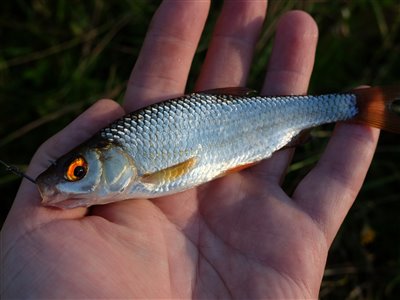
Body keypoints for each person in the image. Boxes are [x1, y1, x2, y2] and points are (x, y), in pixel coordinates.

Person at [1, 1, 380, 298]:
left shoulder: (143, 174)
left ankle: (359, 106)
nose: (69, 180)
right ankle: (361, 106)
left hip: (244, 126)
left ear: (110, 154)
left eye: (77, 171)